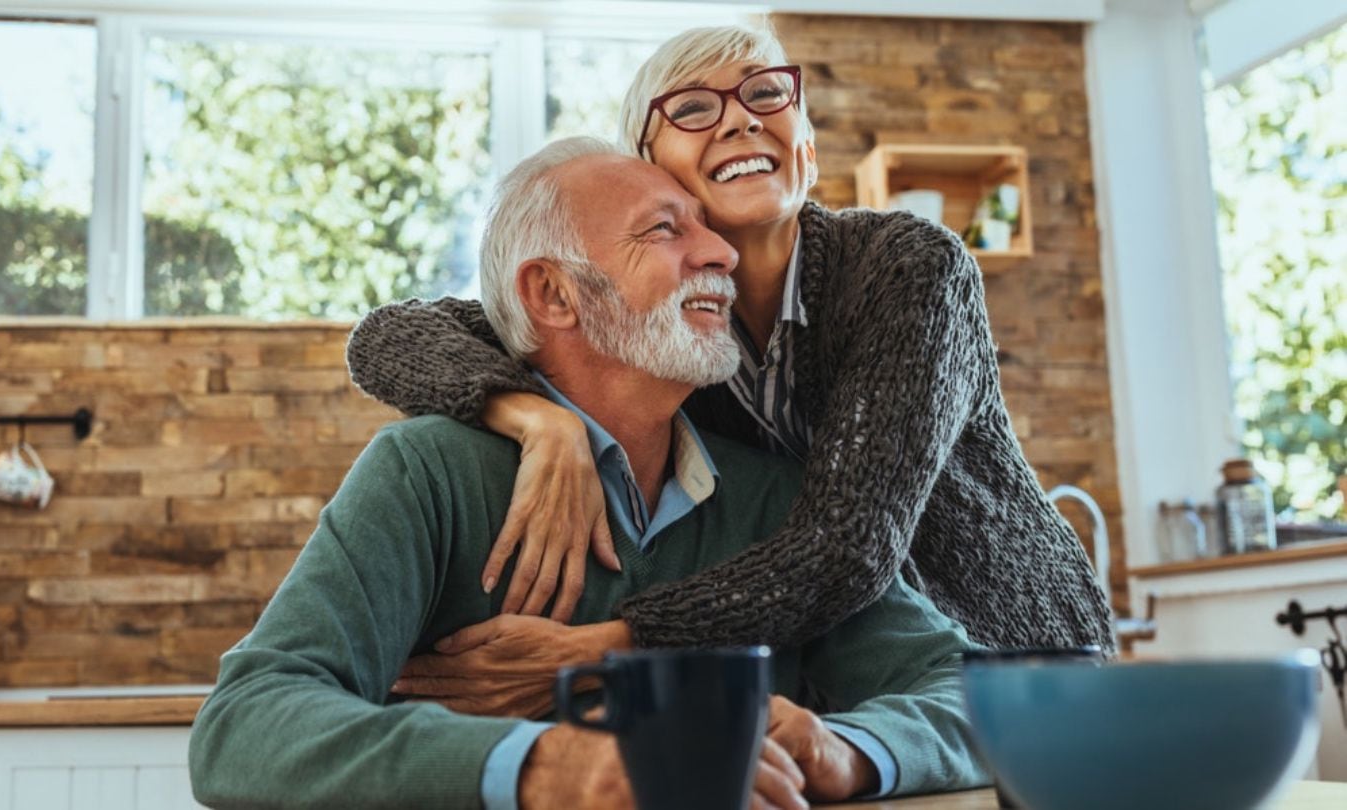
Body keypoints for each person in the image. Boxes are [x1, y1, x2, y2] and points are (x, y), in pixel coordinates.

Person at [187, 138, 989, 810]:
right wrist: (545, 766)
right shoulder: (428, 472)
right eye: (665, 230)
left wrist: (843, 745)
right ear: (554, 294)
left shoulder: (774, 498)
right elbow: (247, 724)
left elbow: (973, 696)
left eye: (706, 229)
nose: (719, 253)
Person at [343, 26, 1113, 691]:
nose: (740, 121)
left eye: (766, 97)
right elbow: (389, 335)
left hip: (1011, 657)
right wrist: (541, 422)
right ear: (647, 166)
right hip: (839, 677)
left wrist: (606, 651)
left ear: (804, 148)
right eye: (692, 108)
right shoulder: (662, 329)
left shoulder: (908, 268)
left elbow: (846, 547)